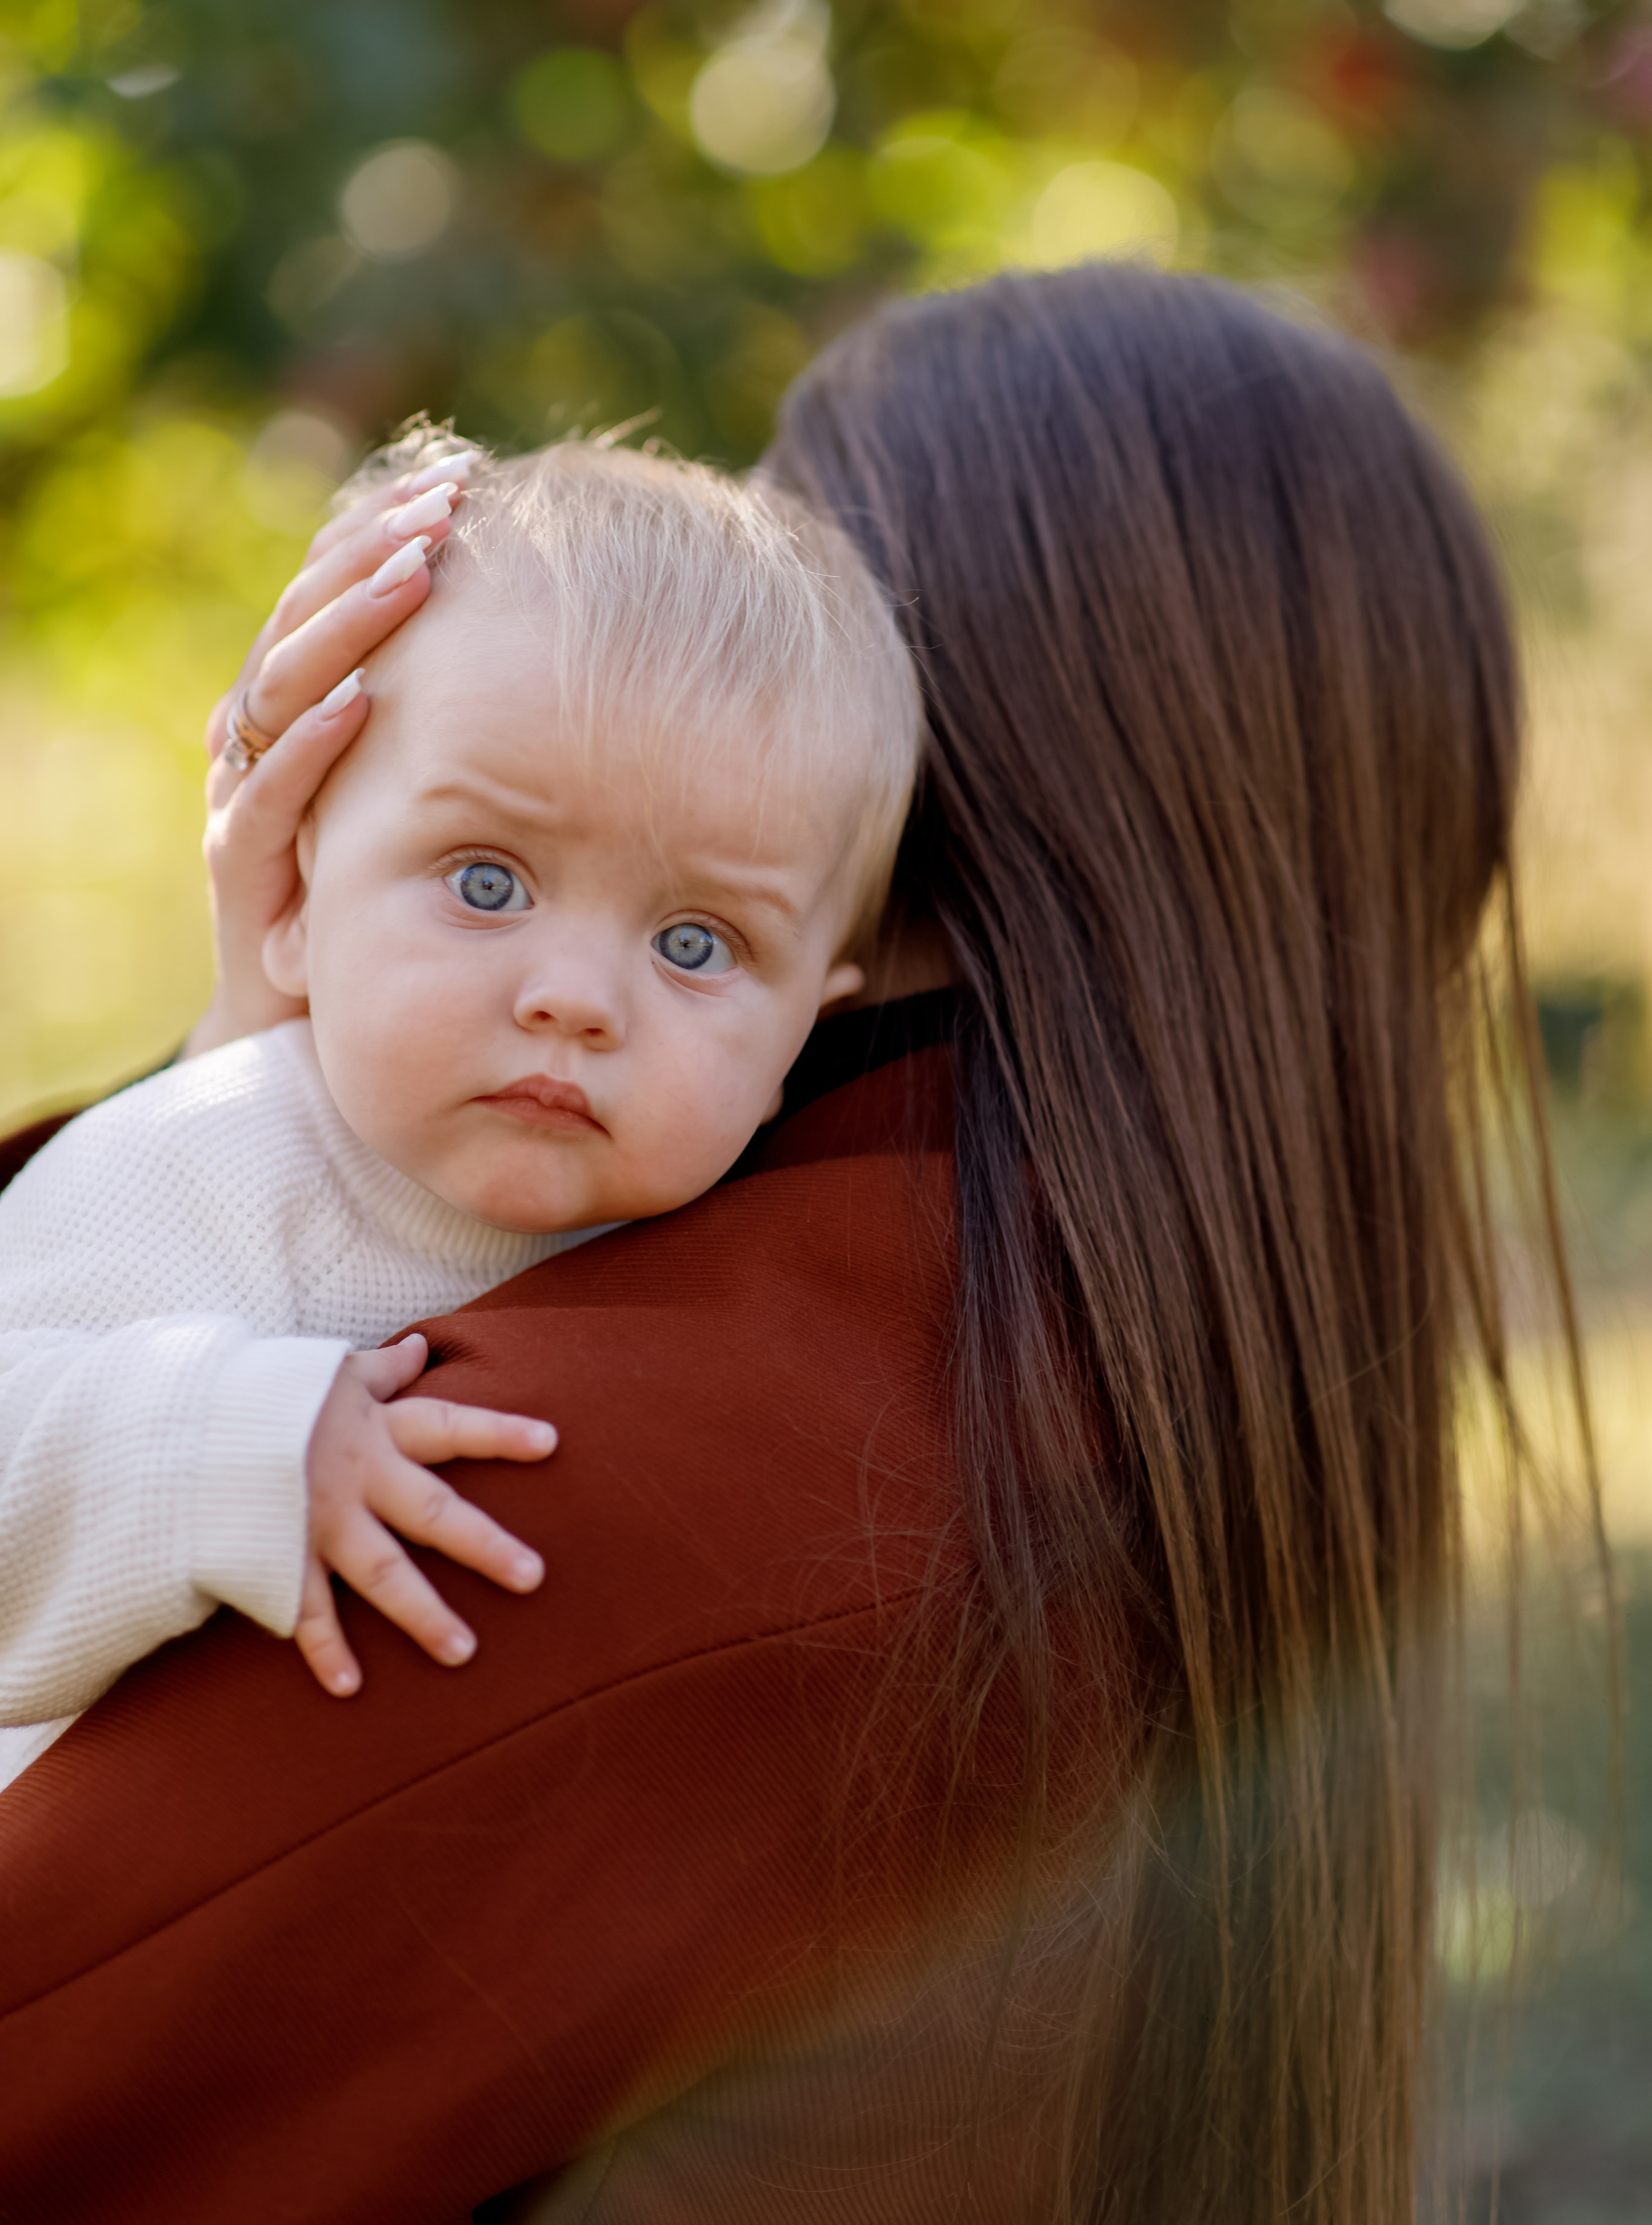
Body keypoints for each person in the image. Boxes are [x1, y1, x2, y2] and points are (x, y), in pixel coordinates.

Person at [0, 265, 1600, 2225]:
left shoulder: (600, 1481)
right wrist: (263, 1062)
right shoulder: (1163, 1451)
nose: (567, 988)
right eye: (487, 872)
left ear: (913, 801)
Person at [0, 439, 915, 1770]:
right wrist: (237, 1438)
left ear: (802, 1041)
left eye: (696, 944)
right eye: (487, 883)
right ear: (297, 895)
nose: (574, 998)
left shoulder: (751, 1267)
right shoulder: (206, 1156)